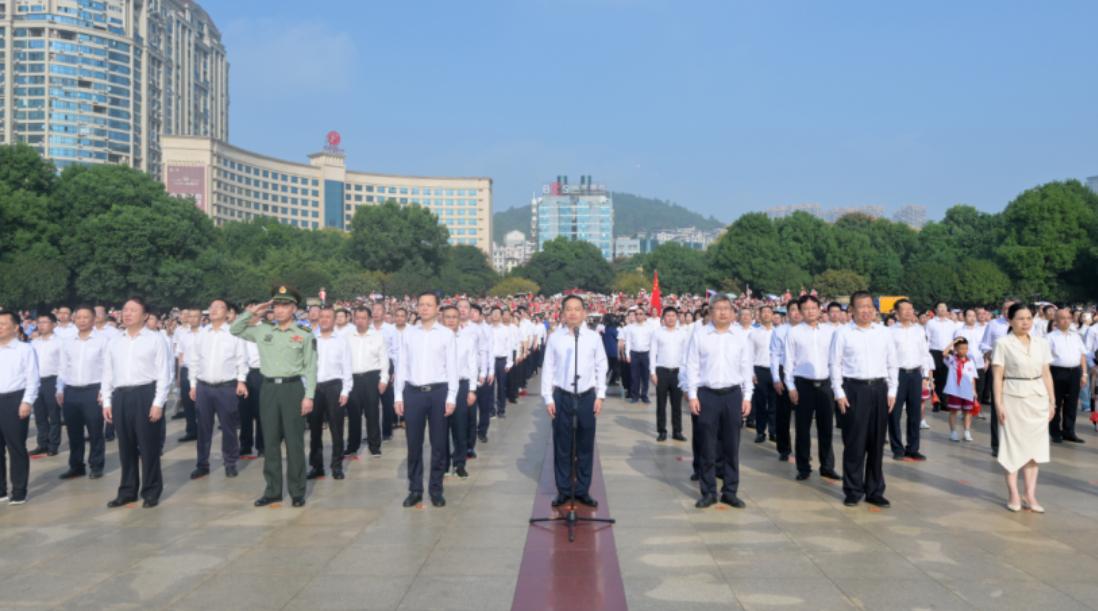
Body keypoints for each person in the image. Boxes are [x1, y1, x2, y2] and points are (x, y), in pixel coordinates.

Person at [231, 285, 318, 508]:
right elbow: (234, 329)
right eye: (276, 305)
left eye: (285, 305)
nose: (279, 310)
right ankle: (272, 491)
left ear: (294, 309)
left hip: (293, 388)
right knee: (270, 442)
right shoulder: (263, 330)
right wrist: (255, 311)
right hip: (268, 389)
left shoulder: (304, 334)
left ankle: (297, 491)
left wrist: (309, 396)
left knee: (294, 442)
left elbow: (311, 368)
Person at [102, 297, 171, 508]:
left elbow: (164, 374)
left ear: (145, 315)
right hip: (121, 396)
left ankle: (151, 491)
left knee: (148, 446)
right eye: (125, 310)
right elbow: (107, 373)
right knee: (125, 446)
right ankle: (127, 491)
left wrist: (158, 402)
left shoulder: (156, 340)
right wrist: (107, 401)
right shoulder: (114, 341)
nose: (127, 313)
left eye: (133, 310)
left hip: (145, 394)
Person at [830, 291, 898, 508]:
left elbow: (892, 362)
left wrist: (892, 391)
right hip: (853, 390)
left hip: (879, 389)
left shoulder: (884, 332)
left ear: (875, 309)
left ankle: (875, 490)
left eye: (869, 306)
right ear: (851, 309)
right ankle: (852, 490)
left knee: (877, 443)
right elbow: (835, 364)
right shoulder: (842, 333)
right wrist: (839, 393)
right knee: (854, 442)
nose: (866, 310)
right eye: (861, 306)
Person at [684, 295, 753, 508]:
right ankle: (708, 491)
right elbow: (692, 366)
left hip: (733, 394)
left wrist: (747, 397)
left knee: (732, 446)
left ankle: (730, 491)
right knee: (707, 445)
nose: (722, 312)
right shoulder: (700, 335)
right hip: (707, 395)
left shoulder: (740, 335)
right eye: (718, 308)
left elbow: (746, 368)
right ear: (710, 311)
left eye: (726, 308)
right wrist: (692, 395)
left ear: (732, 312)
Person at [542, 295, 608, 507]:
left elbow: (601, 366)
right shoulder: (555, 338)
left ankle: (582, 490)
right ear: (562, 313)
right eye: (568, 309)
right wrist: (548, 398)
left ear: (584, 313)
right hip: (562, 397)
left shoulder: (593, 338)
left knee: (585, 445)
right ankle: (563, 489)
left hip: (587, 397)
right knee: (562, 445)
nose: (572, 312)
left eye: (577, 308)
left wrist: (600, 395)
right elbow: (548, 368)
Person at [394, 292, 458, 508]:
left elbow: (452, 368)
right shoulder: (408, 334)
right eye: (421, 304)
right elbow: (401, 366)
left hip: (439, 392)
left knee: (439, 444)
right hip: (413, 393)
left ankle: (436, 489)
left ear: (438, 308)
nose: (424, 308)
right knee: (414, 444)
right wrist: (398, 395)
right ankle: (415, 489)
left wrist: (451, 396)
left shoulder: (446, 334)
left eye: (429, 304)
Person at [990, 303, 1055, 512]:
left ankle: (1030, 494)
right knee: (1012, 447)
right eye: (1020, 318)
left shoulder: (1041, 343)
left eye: (1029, 318)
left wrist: (1052, 401)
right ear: (1010, 320)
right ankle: (1014, 493)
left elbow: (1046, 373)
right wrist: (998, 404)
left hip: (1038, 398)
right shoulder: (1002, 343)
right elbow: (997, 378)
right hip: (1013, 398)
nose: (1026, 322)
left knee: (1035, 448)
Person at [188, 298, 248, 480]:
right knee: (203, 428)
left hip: (226, 388)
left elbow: (242, 360)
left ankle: (230, 463)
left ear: (228, 313)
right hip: (204, 387)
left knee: (228, 427)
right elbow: (194, 360)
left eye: (219, 307)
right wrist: (193, 385)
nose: (214, 310)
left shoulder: (234, 333)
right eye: (212, 307)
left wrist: (241, 381)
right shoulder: (202, 334)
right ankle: (202, 464)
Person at [784, 295, 842, 482]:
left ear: (819, 309)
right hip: (803, 385)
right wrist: (791, 387)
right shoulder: (793, 332)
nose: (810, 311)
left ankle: (827, 467)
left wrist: (837, 386)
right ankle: (803, 467)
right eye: (806, 308)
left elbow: (837, 360)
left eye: (813, 308)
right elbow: (788, 362)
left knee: (826, 429)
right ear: (800, 311)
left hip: (826, 385)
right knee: (802, 429)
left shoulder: (830, 332)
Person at [57, 305, 109, 480]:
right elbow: (62, 368)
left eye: (85, 317)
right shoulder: (67, 342)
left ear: (93, 319)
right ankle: (76, 465)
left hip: (93, 391)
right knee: (74, 432)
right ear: (73, 319)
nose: (81, 320)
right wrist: (60, 389)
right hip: (71, 392)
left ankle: (96, 465)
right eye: (78, 317)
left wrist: (105, 391)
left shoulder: (102, 341)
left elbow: (108, 368)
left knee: (95, 431)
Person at [307, 306, 353, 480]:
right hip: (314, 387)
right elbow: (304, 365)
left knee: (336, 428)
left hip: (335, 387)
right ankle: (316, 465)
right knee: (314, 430)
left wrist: (346, 390)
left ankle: (337, 465)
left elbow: (347, 366)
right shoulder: (310, 339)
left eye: (328, 317)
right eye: (322, 317)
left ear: (335, 320)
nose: (324, 319)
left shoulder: (342, 341)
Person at [0, 310, 38, 505]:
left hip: (14, 400)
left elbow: (32, 378)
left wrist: (27, 401)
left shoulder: (25, 350)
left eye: (3, 323)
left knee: (15, 447)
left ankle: (19, 490)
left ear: (15, 327)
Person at [889, 299, 933, 461]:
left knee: (914, 413)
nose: (908, 311)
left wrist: (925, 376)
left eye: (910, 308)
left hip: (915, 374)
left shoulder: (919, 331)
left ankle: (913, 448)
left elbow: (924, 354)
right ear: (896, 312)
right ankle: (897, 448)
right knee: (894, 413)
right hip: (897, 374)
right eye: (904, 309)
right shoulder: (890, 332)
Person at [344, 306, 389, 458]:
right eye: (357, 317)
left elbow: (384, 360)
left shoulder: (378, 337)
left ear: (370, 319)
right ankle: (352, 446)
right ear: (353, 318)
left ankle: (374, 445)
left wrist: (384, 379)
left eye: (364, 318)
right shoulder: (347, 337)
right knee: (353, 414)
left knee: (372, 413)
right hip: (353, 379)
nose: (360, 321)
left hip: (371, 378)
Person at [441, 305, 478, 479]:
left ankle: (460, 462)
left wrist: (472, 389)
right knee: (441, 427)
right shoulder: (437, 338)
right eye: (447, 317)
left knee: (460, 427)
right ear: (442, 318)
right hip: (441, 386)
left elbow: (472, 365)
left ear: (459, 319)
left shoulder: (467, 339)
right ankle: (443, 464)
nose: (450, 320)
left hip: (461, 386)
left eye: (454, 317)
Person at [980, 297, 1018, 458]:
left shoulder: (1025, 324)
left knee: (1017, 408)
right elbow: (984, 345)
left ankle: (1015, 444)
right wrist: (992, 357)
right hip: (999, 369)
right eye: (1005, 308)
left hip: (1019, 372)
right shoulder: (994, 324)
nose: (1007, 311)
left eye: (1011, 308)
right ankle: (997, 445)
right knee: (998, 407)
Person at [1047, 308, 1086, 444]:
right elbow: (1045, 360)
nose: (1066, 321)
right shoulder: (1049, 338)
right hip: (1057, 372)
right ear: (1056, 320)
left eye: (1069, 318)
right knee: (1055, 403)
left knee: (1072, 403)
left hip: (1074, 372)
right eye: (1063, 318)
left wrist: (1084, 373)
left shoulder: (1075, 337)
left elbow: (1082, 355)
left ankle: (1069, 431)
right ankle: (1055, 432)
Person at [650, 307, 688, 442]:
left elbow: (686, 354)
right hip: (662, 371)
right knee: (661, 403)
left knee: (676, 404)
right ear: (664, 318)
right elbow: (653, 353)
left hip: (678, 372)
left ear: (677, 317)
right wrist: (653, 373)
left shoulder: (683, 333)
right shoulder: (657, 333)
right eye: (668, 315)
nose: (671, 318)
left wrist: (685, 373)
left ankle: (677, 431)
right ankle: (662, 431)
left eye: (673, 315)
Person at [29, 313, 63, 457]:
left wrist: (60, 388)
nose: (41, 324)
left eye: (45, 322)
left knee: (54, 415)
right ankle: (42, 443)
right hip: (37, 382)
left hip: (52, 381)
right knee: (40, 415)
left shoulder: (59, 342)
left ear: (54, 324)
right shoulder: (34, 343)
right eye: (39, 322)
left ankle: (53, 444)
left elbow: (63, 366)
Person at [770, 300, 800, 462]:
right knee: (783, 413)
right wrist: (776, 378)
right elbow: (774, 355)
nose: (797, 312)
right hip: (783, 371)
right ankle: (784, 448)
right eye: (793, 309)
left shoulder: (808, 331)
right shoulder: (780, 331)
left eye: (800, 309)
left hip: (802, 373)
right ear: (787, 313)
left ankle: (803, 449)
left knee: (802, 415)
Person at [239, 301, 266, 458]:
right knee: (244, 412)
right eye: (247, 310)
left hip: (259, 373)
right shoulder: (239, 330)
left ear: (260, 312)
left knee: (261, 411)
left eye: (253, 310)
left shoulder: (266, 330)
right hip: (242, 374)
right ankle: (245, 445)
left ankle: (262, 446)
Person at [467, 303, 494, 458]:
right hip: (467, 373)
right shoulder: (461, 328)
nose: (472, 313)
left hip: (482, 371)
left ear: (481, 315)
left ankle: (482, 431)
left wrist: (490, 371)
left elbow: (489, 351)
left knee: (484, 404)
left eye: (475, 311)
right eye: (470, 311)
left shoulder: (485, 330)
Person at [749, 306, 777, 444]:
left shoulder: (778, 332)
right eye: (763, 312)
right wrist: (752, 373)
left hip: (775, 372)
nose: (766, 314)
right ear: (759, 315)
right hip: (760, 371)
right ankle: (760, 432)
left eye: (769, 312)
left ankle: (773, 431)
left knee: (774, 404)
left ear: (773, 315)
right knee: (760, 404)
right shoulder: (753, 333)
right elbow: (750, 355)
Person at [942, 337, 979, 441]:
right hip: (955, 391)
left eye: (966, 348)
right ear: (955, 349)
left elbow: (973, 377)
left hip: (967, 391)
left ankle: (966, 432)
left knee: (967, 412)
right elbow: (944, 353)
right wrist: (954, 342)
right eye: (961, 348)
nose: (964, 350)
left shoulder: (970, 361)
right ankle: (953, 432)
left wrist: (974, 391)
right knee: (953, 411)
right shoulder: (952, 359)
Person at [926, 301, 958, 412]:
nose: (943, 308)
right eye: (940, 307)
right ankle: (935, 403)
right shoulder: (930, 323)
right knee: (935, 378)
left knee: (946, 378)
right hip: (934, 352)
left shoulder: (951, 324)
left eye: (944, 307)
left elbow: (955, 339)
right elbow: (927, 339)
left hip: (948, 353)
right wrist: (927, 354)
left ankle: (944, 402)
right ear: (935, 309)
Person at [173, 309, 200, 442]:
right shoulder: (183, 334)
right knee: (188, 404)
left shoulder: (206, 334)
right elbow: (180, 355)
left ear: (201, 318)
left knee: (201, 404)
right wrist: (179, 376)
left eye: (195, 316)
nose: (192, 319)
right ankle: (191, 431)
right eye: (190, 316)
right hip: (185, 370)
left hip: (200, 372)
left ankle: (203, 431)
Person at [487, 307, 513, 433]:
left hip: (501, 360)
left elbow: (509, 346)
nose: (496, 315)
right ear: (491, 315)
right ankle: (491, 410)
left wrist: (509, 362)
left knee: (501, 386)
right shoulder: (487, 329)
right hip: (489, 360)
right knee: (489, 386)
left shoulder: (506, 329)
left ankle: (501, 410)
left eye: (498, 313)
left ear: (501, 316)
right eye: (494, 313)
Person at [623, 308, 655, 404]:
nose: (638, 315)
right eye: (636, 314)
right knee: (634, 376)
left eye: (641, 314)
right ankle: (635, 396)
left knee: (645, 377)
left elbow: (653, 343)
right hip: (634, 353)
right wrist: (627, 355)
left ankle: (644, 395)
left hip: (646, 354)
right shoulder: (631, 327)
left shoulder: (649, 327)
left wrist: (652, 356)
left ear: (644, 315)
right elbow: (628, 342)